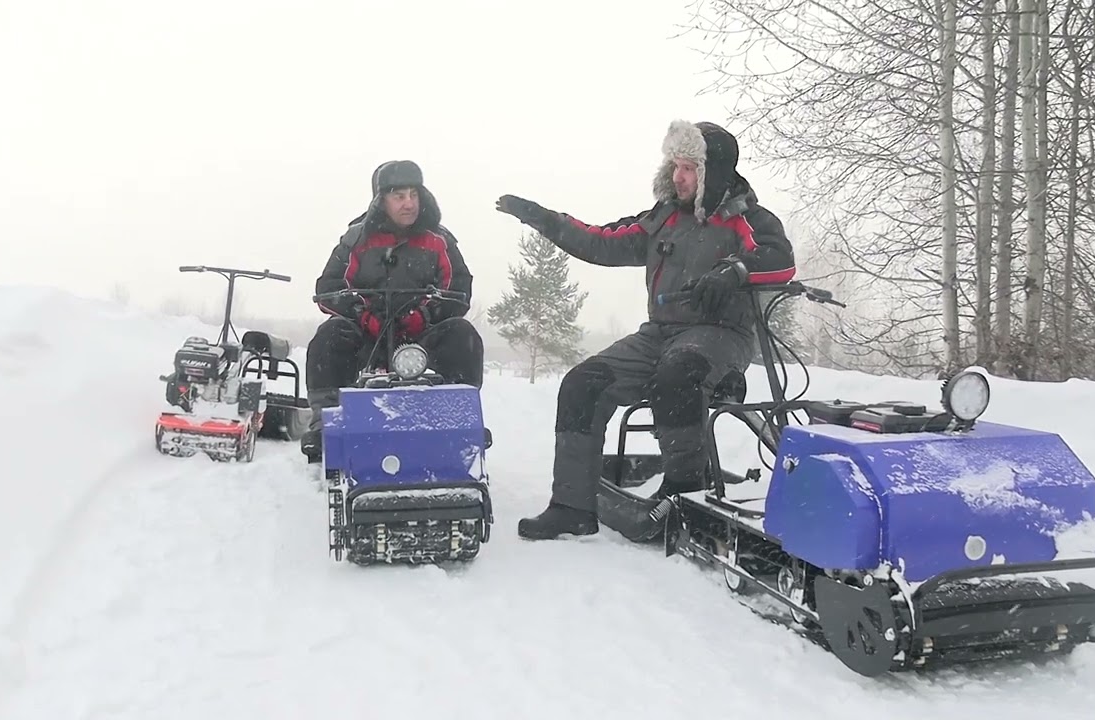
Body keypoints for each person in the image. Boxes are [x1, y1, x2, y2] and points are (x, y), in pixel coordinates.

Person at [495, 119, 796, 540]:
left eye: (689, 167)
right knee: (583, 383)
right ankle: (571, 507)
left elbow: (781, 261)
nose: (678, 176)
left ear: (713, 170)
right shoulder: (663, 219)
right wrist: (543, 219)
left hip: (721, 334)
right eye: (674, 166)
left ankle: (685, 493)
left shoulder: (749, 219)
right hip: (658, 334)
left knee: (676, 374)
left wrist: (735, 272)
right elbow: (600, 240)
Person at [301, 159, 483, 461]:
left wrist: (424, 315)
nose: (408, 203)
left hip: (421, 337)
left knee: (462, 336)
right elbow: (329, 288)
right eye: (399, 196)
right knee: (329, 336)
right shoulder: (356, 239)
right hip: (368, 335)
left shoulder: (440, 240)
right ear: (381, 199)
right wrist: (363, 314)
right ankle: (325, 423)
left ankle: (461, 419)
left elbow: (459, 291)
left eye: (413, 194)